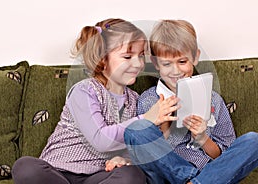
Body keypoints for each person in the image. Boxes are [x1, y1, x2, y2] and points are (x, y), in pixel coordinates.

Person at [11, 18, 178, 184]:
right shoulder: (85, 91)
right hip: (57, 172)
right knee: (25, 166)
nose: (138, 63)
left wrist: (123, 159)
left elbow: (132, 146)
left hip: (97, 176)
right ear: (102, 59)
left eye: (141, 56)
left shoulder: (134, 100)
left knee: (133, 175)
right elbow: (101, 140)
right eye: (128, 56)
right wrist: (147, 118)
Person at [124, 19, 258, 184]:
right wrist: (164, 128)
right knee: (135, 130)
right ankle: (192, 181)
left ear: (195, 57)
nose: (176, 70)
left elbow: (226, 156)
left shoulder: (213, 99)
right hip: (167, 177)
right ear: (156, 63)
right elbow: (149, 157)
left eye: (182, 61)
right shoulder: (149, 100)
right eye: (167, 63)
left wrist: (202, 138)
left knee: (255, 142)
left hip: (211, 172)